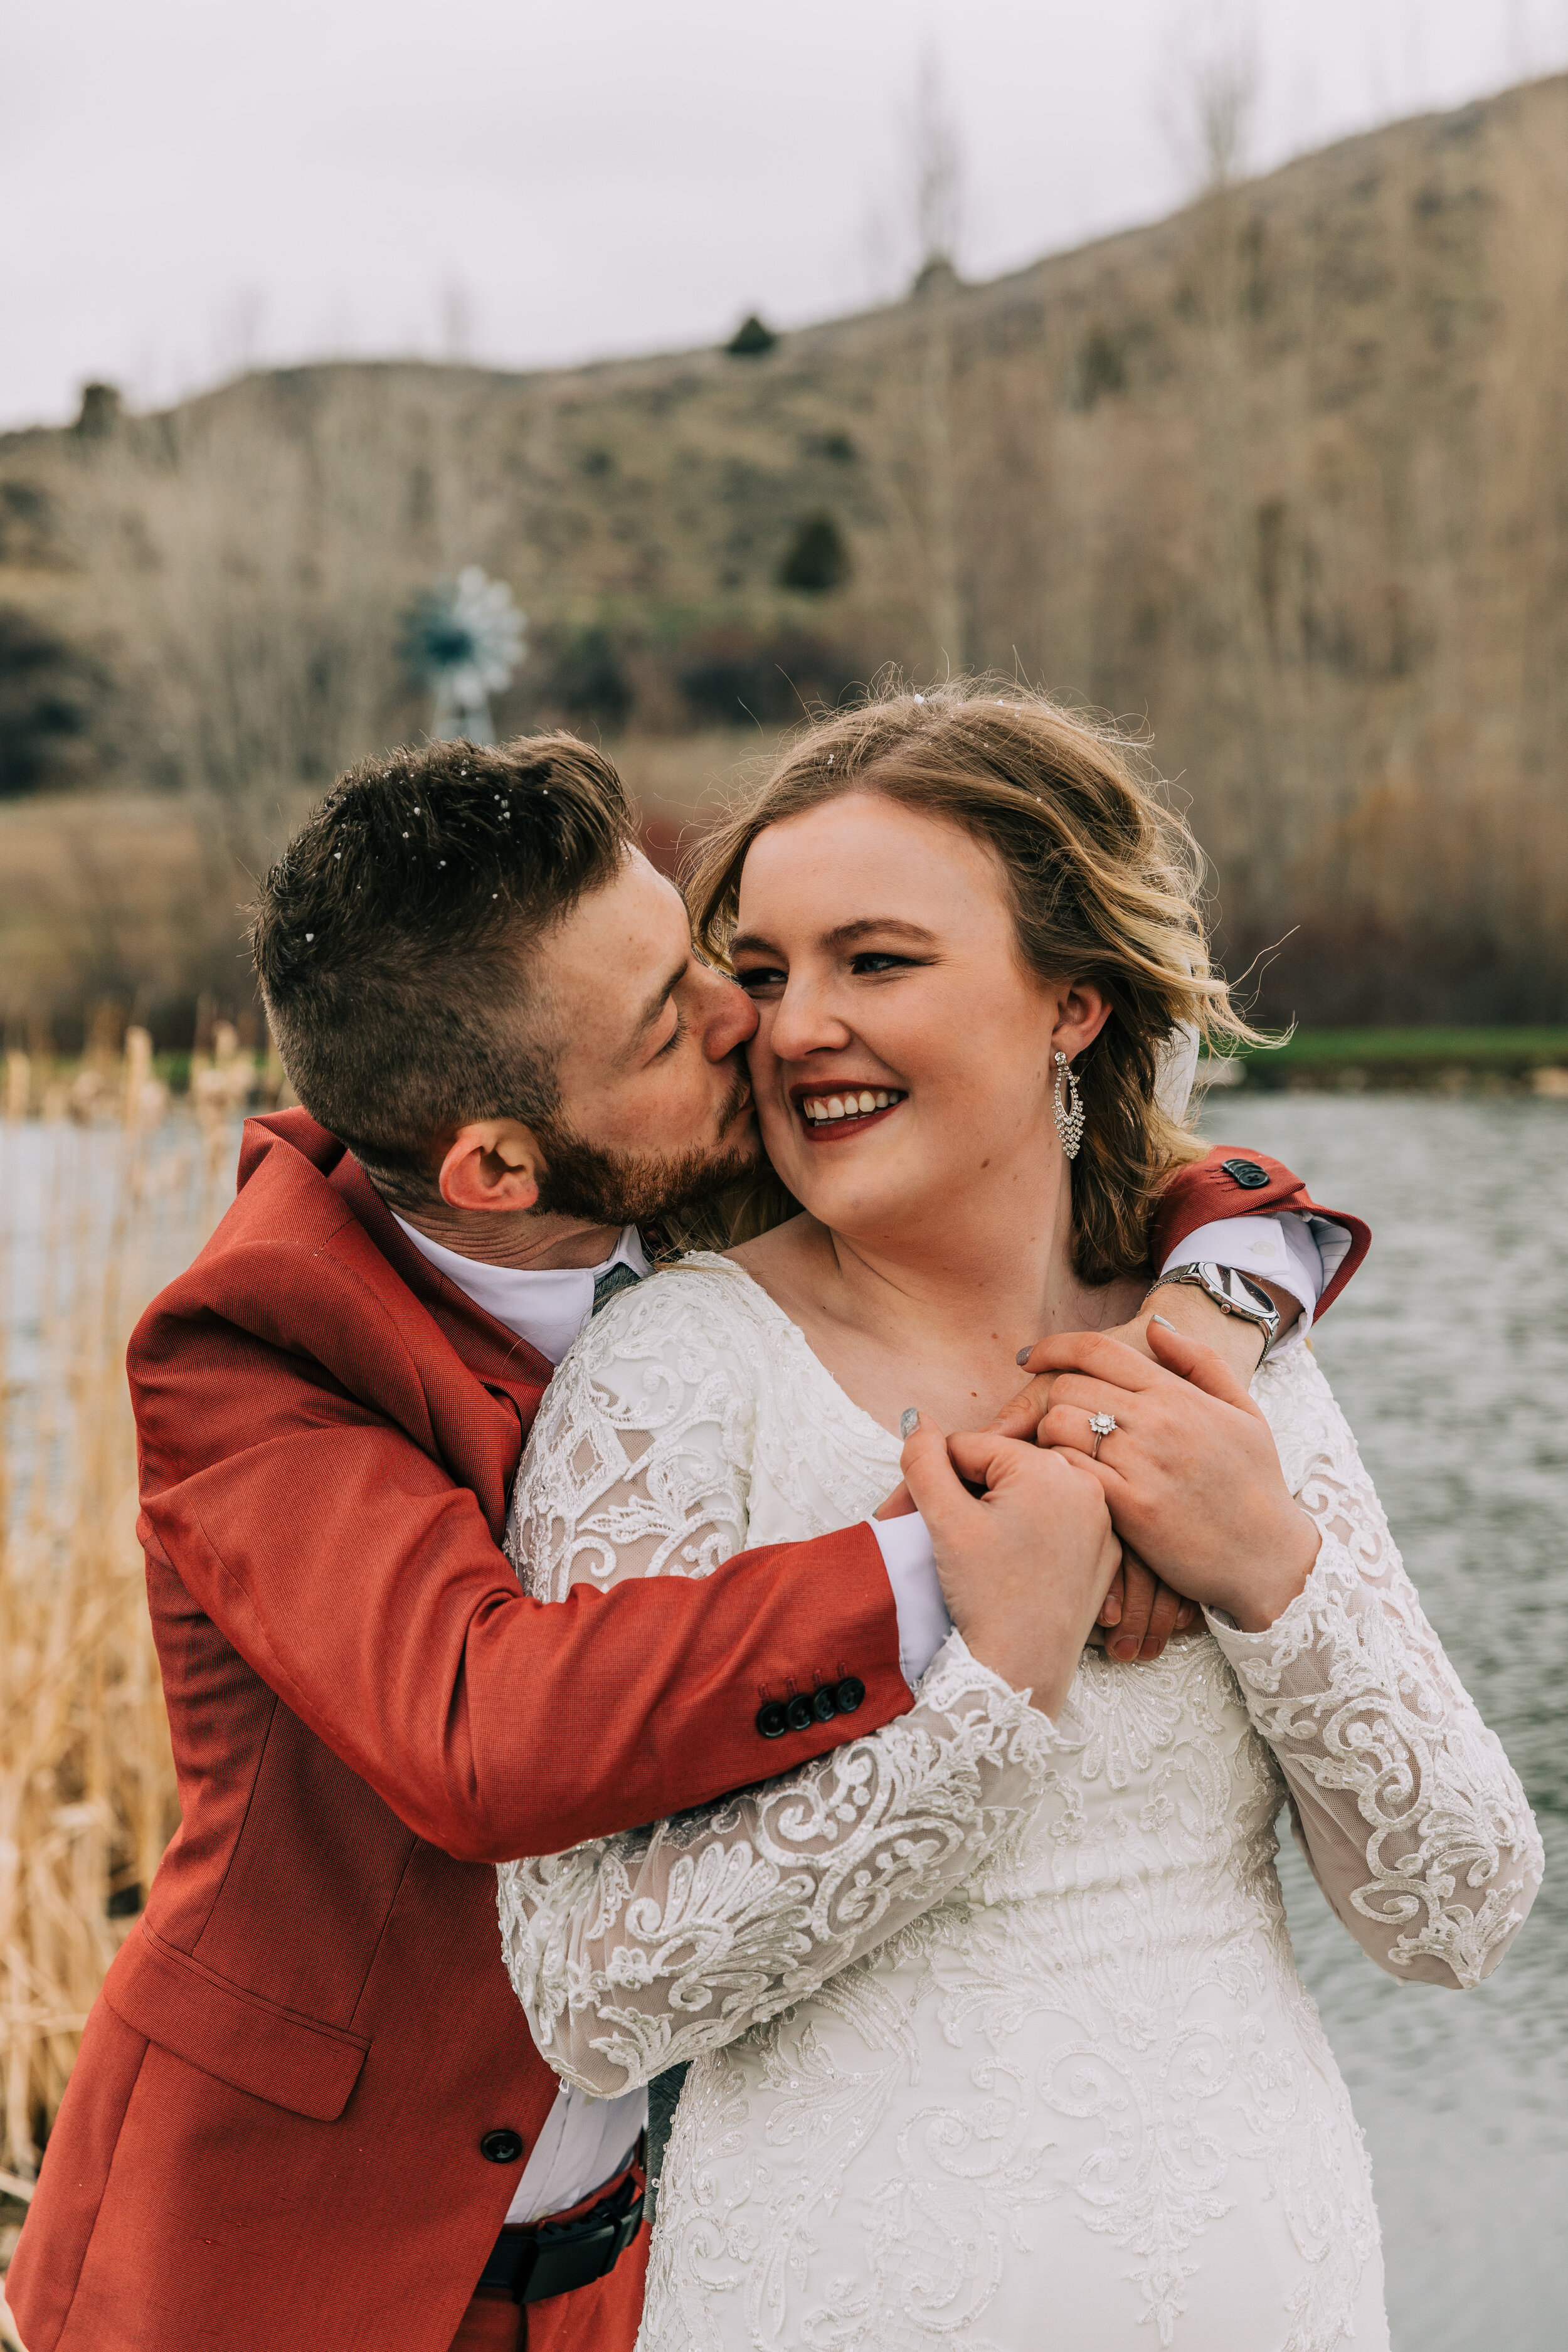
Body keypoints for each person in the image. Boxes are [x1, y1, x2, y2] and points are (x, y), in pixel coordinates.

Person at [7, 732, 1357, 2352]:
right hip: (272, 2269)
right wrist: (966, 1550)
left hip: (608, 2266)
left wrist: (1215, 1297)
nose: (756, 1023)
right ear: (494, 1167)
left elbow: (1071, 1157)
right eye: (676, 1018)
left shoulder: (666, 1168)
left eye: (693, 957)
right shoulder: (256, 1358)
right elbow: (488, 1732)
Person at [495, 686, 1544, 2352]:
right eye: (757, 973)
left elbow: (1454, 1913)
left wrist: (1269, 1577)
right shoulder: (675, 1384)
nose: (791, 1024)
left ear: (1073, 1001)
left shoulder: (1221, 1365)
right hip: (839, 2289)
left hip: (1264, 2274)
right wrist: (988, 1693)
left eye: (874, 961)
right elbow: (587, 1992)